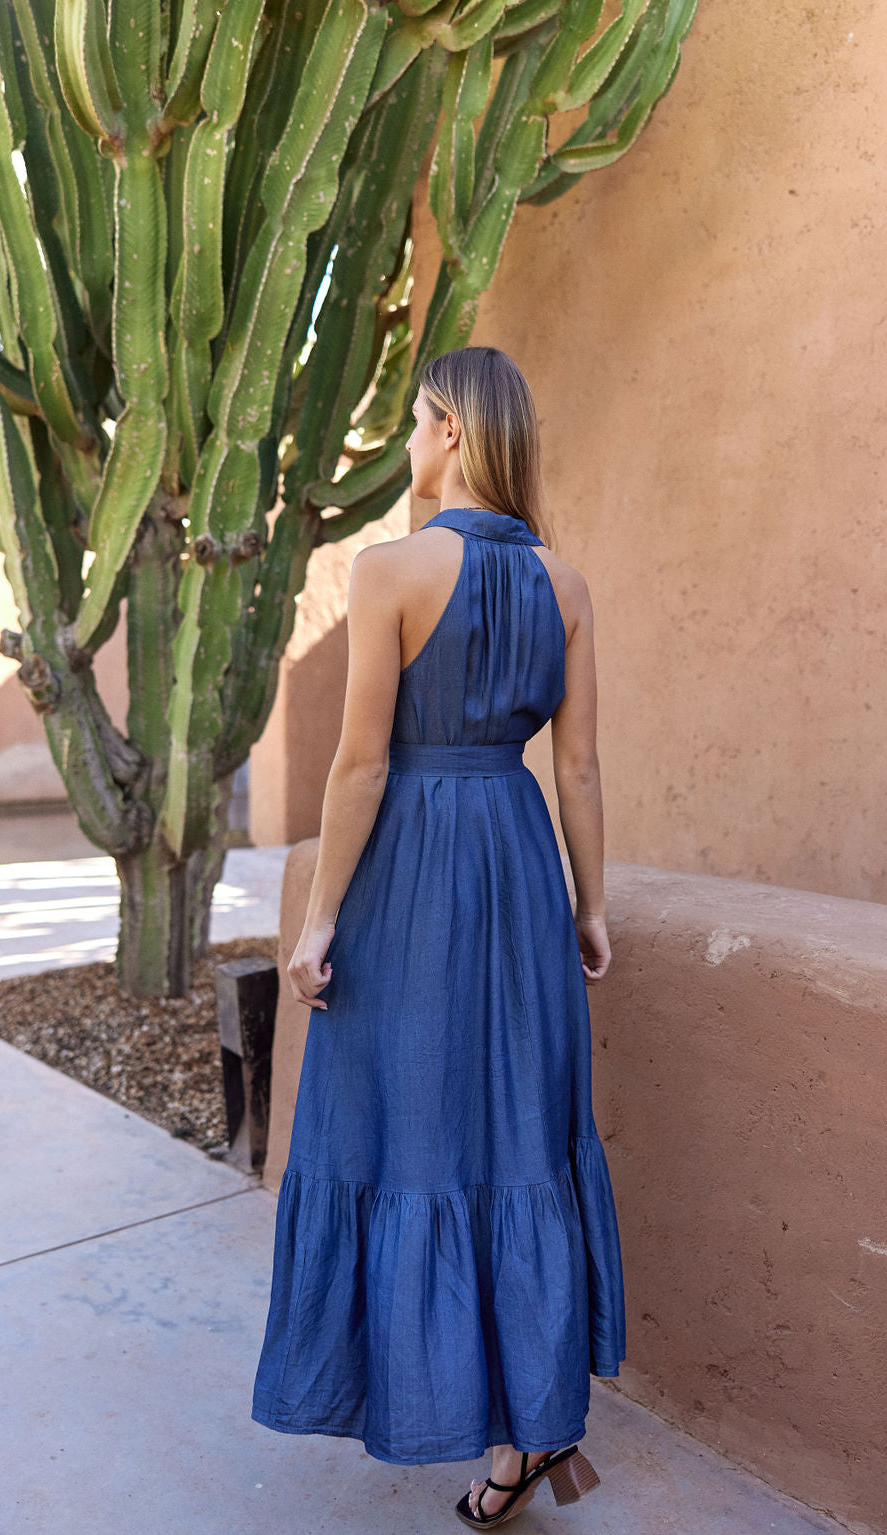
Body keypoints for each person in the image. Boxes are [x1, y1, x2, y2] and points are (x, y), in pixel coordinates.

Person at [252, 345, 626, 1527]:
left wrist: (318, 920)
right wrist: (589, 904)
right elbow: (577, 767)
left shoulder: (391, 571)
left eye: (417, 421)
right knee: (518, 1130)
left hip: (410, 875)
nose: (409, 444)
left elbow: (361, 763)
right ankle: (528, 1431)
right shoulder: (566, 584)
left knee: (404, 1123)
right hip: (518, 867)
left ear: (452, 429)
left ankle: (444, 1396)